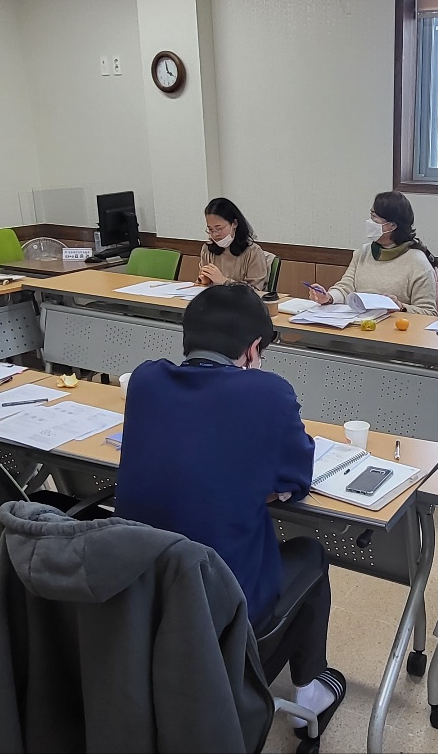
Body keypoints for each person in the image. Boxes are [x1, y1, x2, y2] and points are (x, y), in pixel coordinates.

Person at [114, 283, 346, 737]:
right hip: (223, 604)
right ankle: (309, 691)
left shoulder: (144, 380)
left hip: (142, 594)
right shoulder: (268, 393)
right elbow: (295, 480)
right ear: (254, 349)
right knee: (311, 554)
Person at [307, 191, 438, 315]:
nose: (370, 223)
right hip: (360, 324)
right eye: (371, 216)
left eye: (375, 218)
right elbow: (346, 287)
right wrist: (328, 297)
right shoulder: (363, 252)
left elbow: (428, 312)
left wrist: (400, 307)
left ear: (392, 226)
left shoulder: (418, 262)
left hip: (394, 328)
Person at [197, 197, 270, 291]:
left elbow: (255, 291)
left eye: (219, 228)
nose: (215, 234)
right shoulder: (207, 249)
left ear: (234, 223)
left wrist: (224, 281)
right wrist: (204, 282)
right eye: (210, 229)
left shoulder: (253, 252)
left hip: (242, 300)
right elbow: (200, 286)